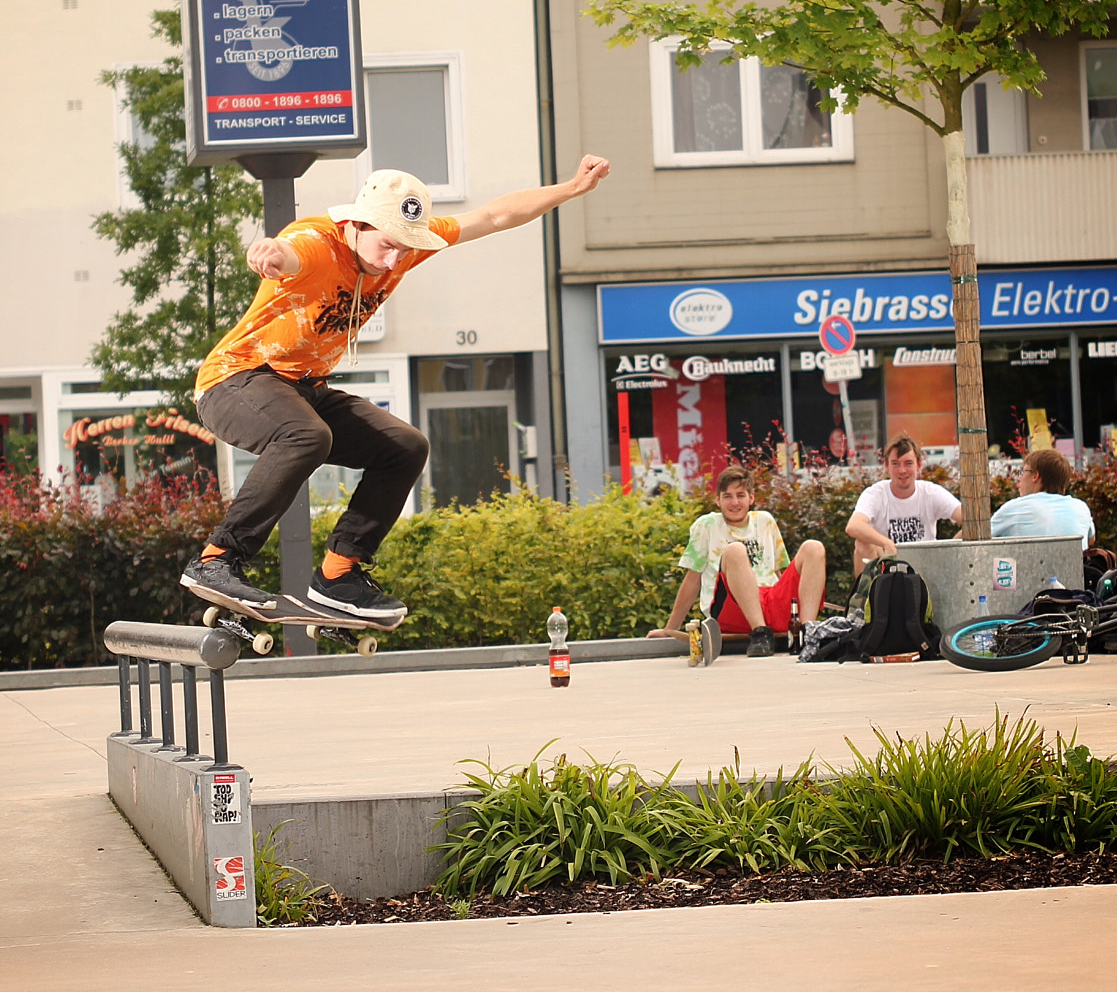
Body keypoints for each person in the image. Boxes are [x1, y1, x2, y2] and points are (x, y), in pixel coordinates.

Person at [181, 158, 612, 621]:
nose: (394, 261)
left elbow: (492, 216)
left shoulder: (406, 243)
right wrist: (268, 255)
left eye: (406, 250)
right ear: (358, 224)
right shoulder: (317, 243)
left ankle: (339, 574)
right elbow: (287, 253)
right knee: (307, 436)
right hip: (234, 380)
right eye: (387, 246)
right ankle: (217, 560)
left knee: (404, 447)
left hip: (304, 387)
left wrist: (569, 189)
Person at [650, 465, 827, 657]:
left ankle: (808, 634)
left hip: (768, 600)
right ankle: (759, 632)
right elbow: (693, 580)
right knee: (735, 550)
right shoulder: (707, 525)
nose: (735, 502)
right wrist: (670, 629)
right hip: (731, 606)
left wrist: (793, 605)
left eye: (741, 495)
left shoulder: (765, 521)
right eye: (727, 496)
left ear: (751, 498)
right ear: (717, 500)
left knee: (814, 547)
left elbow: (780, 575)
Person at [845, 433, 962, 574]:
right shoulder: (875, 493)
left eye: (908, 463)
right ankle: (867, 594)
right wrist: (886, 543)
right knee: (862, 543)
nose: (902, 470)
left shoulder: (931, 492)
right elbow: (853, 526)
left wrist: (947, 551)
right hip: (887, 569)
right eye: (895, 464)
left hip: (925, 569)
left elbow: (972, 522)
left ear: (919, 465)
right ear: (886, 466)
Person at [988, 448, 1096, 547]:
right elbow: (1091, 539)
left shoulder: (1015, 508)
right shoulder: (1081, 507)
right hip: (1075, 567)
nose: (1019, 479)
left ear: (1035, 476)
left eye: (1023, 472)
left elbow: (981, 538)